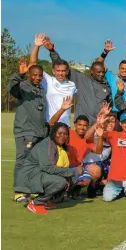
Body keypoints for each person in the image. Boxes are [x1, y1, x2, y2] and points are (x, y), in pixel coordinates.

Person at [18, 123, 83, 214]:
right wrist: (72, 171)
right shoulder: (47, 145)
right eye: (59, 133)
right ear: (53, 133)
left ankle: (47, 200)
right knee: (60, 181)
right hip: (30, 177)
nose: (62, 136)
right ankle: (36, 202)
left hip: (40, 174)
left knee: (73, 178)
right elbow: (48, 168)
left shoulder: (59, 145)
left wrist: (70, 174)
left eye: (65, 134)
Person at [9, 58, 50, 204]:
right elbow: (12, 89)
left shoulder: (40, 89)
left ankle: (31, 189)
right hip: (25, 132)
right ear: (29, 75)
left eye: (40, 75)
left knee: (34, 163)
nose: (37, 78)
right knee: (22, 160)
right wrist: (19, 75)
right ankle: (19, 192)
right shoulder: (23, 86)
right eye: (34, 75)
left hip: (39, 133)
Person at [47, 41, 112, 123]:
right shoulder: (81, 79)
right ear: (91, 71)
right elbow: (62, 66)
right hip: (82, 125)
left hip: (99, 124)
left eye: (103, 72)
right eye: (98, 72)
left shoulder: (106, 86)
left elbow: (109, 106)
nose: (101, 74)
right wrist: (52, 51)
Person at [29, 34, 77, 126]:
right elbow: (32, 65)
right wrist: (37, 46)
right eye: (58, 71)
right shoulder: (48, 81)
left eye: (63, 71)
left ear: (67, 72)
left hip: (66, 126)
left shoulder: (72, 85)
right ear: (53, 71)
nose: (61, 73)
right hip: (49, 124)